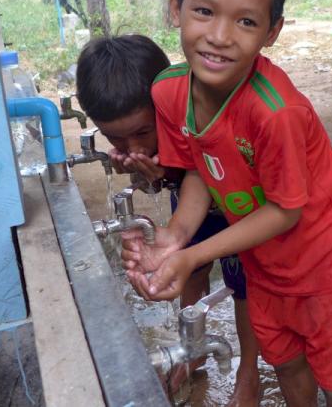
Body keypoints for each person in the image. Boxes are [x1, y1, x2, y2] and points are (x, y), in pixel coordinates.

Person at [122, 0, 332, 407]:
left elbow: (285, 212)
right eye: (204, 11)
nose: (219, 37)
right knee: (286, 363)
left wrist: (192, 256)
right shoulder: (169, 92)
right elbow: (199, 167)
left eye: (245, 22)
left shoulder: (275, 113)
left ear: (272, 32)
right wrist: (175, 235)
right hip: (265, 266)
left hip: (324, 265)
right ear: (176, 8)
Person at [74, 35, 261, 406]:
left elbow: (203, 169)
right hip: (194, 210)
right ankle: (193, 348)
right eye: (116, 138)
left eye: (143, 132)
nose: (134, 146)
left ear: (163, 105)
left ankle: (249, 372)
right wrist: (146, 174)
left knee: (246, 287)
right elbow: (161, 184)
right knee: (189, 272)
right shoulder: (135, 143)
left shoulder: (195, 115)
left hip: (239, 207)